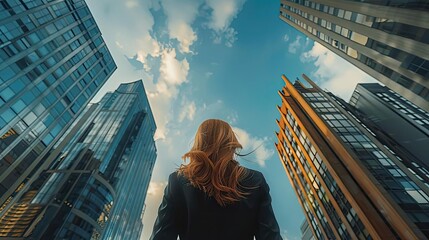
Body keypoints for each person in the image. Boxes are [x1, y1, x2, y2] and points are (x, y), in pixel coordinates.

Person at [150, 119, 282, 240]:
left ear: (199, 143)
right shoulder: (255, 180)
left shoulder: (177, 181)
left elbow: (161, 236)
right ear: (230, 143)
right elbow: (270, 236)